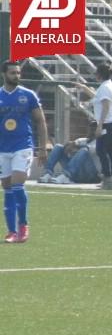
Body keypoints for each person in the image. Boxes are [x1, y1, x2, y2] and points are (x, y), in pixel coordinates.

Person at [1, 61, 50, 244]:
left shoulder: (28, 95)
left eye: (18, 72)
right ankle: (11, 231)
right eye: (13, 73)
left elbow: (40, 121)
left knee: (17, 183)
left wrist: (43, 147)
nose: (16, 76)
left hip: (23, 146)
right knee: (7, 187)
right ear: (4, 74)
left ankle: (23, 226)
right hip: (2, 149)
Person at [93, 61, 112, 190]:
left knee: (101, 149)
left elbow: (105, 106)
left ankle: (108, 178)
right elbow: (97, 98)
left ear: (99, 74)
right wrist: (83, 88)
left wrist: (100, 125)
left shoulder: (105, 87)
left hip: (108, 124)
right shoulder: (108, 85)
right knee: (110, 151)